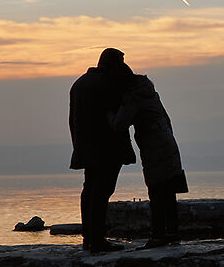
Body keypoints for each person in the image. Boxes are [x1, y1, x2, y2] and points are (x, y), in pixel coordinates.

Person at [104, 49, 187, 248]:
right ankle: (172, 233)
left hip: (154, 147)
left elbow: (119, 124)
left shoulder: (134, 97)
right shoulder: (148, 90)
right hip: (167, 142)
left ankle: (158, 235)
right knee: (168, 190)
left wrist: (108, 112)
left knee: (157, 190)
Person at [68, 55, 135, 252]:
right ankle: (97, 240)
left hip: (85, 147)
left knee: (89, 190)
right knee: (101, 192)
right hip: (106, 148)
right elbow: (117, 117)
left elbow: (73, 120)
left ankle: (89, 238)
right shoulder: (106, 84)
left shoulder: (79, 83)